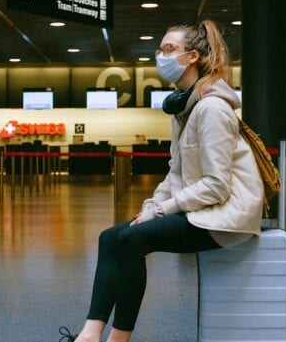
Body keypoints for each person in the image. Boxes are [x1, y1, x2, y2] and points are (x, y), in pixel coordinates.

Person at [60, 20, 264, 342]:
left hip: (225, 217)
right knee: (110, 237)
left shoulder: (211, 109)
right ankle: (89, 334)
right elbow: (176, 172)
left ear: (192, 56)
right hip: (201, 210)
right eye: (160, 50)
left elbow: (217, 185)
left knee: (132, 240)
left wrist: (161, 211)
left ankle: (118, 339)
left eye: (169, 49)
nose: (161, 56)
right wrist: (152, 205)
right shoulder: (184, 108)